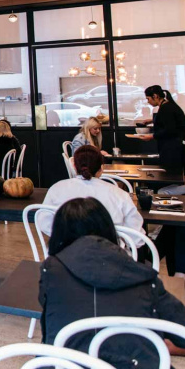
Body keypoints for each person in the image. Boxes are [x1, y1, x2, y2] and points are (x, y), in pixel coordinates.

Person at [39, 198, 185, 367]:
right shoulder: (143, 277)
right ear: (109, 230)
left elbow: (51, 328)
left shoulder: (52, 272)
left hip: (64, 365)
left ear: (58, 235)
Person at [37, 145, 144, 238]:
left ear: (74, 166)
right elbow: (137, 237)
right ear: (101, 168)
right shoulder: (119, 194)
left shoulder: (56, 188)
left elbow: (44, 222)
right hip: (107, 253)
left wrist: (67, 236)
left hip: (65, 252)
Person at [135, 85, 185, 172]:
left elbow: (169, 130)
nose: (148, 102)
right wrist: (152, 120)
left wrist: (152, 136)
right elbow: (169, 121)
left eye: (148, 99)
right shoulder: (168, 106)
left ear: (155, 96)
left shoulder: (166, 108)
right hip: (173, 147)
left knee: (170, 175)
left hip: (172, 149)